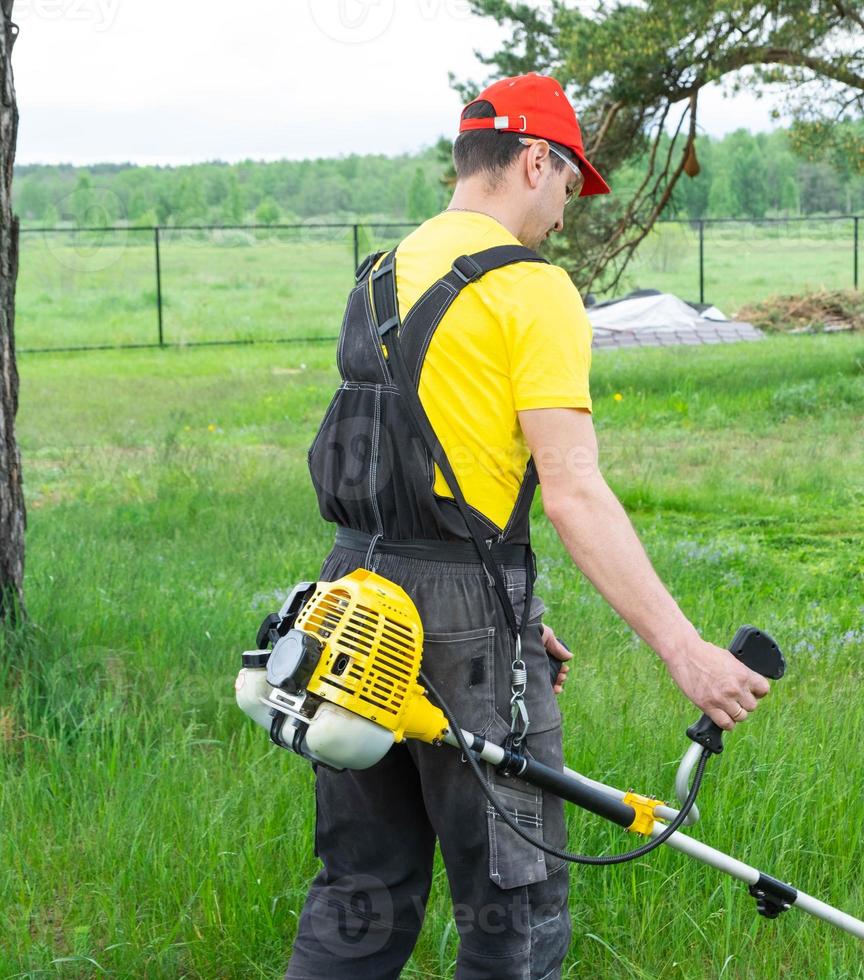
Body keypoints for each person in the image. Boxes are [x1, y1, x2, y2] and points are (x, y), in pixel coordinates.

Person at [284, 73, 771, 980]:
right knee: (516, 916)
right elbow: (573, 492)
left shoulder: (381, 273)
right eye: (569, 190)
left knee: (359, 893)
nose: (565, 215)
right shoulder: (533, 289)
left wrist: (503, 595)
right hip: (460, 624)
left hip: (348, 605)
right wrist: (686, 651)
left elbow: (413, 455)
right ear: (536, 161)